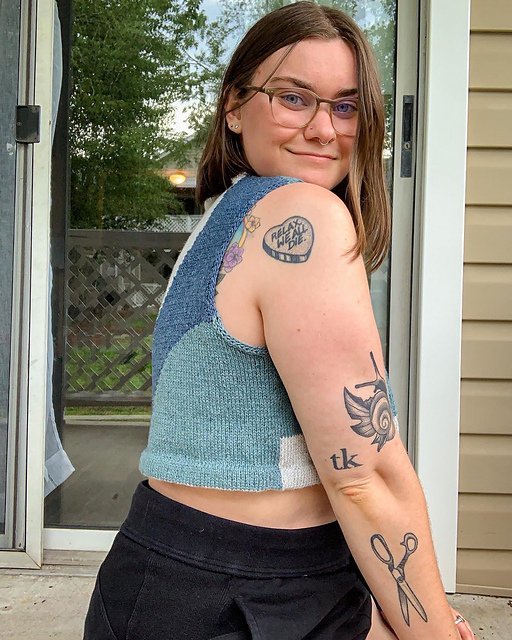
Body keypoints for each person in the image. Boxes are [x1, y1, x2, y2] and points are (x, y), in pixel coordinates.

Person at [84, 3, 475, 639]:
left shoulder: (226, 217)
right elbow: (364, 475)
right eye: (294, 98)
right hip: (240, 595)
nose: (323, 128)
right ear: (234, 107)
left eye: (346, 107)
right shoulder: (304, 216)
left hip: (167, 576)